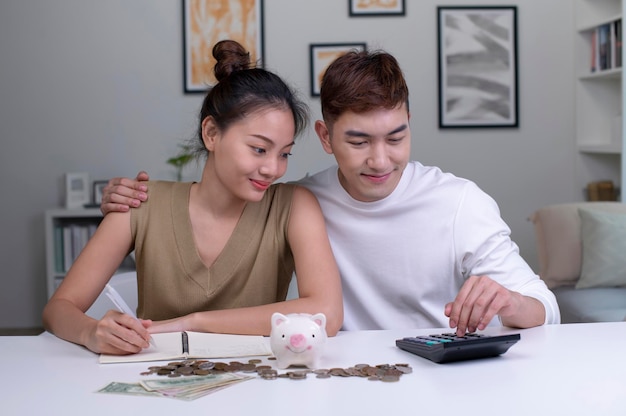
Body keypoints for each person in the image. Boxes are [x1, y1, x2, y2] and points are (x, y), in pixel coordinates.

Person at [101, 48, 560, 336]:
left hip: (437, 373)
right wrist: (131, 201)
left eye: (396, 138)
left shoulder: (460, 202)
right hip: (337, 374)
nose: (380, 160)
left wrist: (512, 302)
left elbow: (549, 311)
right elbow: (222, 195)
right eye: (358, 142)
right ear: (325, 137)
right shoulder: (298, 199)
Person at [42, 40, 344, 356]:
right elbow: (58, 309)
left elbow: (328, 313)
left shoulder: (294, 206)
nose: (273, 168)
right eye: (258, 149)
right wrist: (92, 332)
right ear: (211, 133)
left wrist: (195, 322)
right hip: (156, 384)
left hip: (258, 386)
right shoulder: (140, 203)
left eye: (284, 154)